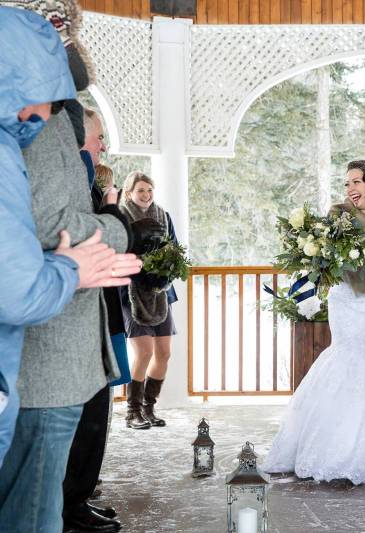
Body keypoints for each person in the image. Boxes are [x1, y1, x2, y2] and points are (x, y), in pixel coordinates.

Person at [0, 5, 143, 530]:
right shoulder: (31, 120)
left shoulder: (53, 113)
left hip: (56, 352)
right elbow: (49, 223)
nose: (68, 42)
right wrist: (119, 229)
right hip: (43, 366)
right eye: (55, 31)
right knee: (32, 513)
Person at [265, 160, 365, 484]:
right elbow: (326, 258)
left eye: (357, 182)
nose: (351, 189)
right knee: (346, 359)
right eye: (347, 183)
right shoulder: (337, 213)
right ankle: (334, 449)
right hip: (346, 300)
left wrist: (363, 239)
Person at [62, 108, 129, 533]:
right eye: (99, 136)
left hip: (97, 317)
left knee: (97, 416)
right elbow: (109, 240)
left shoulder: (83, 177)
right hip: (76, 323)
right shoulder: (78, 182)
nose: (103, 145)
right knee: (85, 421)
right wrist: (110, 207)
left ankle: (79, 500)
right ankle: (71, 509)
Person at [119, 171, 180, 430]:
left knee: (164, 353)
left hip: (159, 291)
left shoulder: (163, 216)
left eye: (149, 189)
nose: (146, 194)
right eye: (140, 190)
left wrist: (168, 265)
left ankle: (149, 407)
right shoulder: (120, 217)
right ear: (129, 193)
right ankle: (132, 412)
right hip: (131, 292)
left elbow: (174, 246)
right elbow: (117, 251)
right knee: (143, 351)